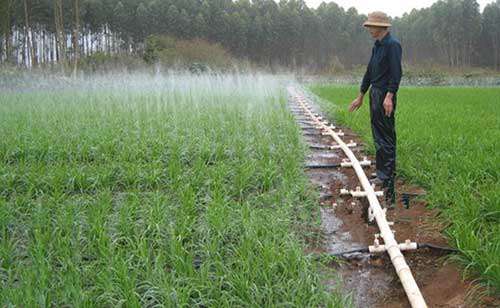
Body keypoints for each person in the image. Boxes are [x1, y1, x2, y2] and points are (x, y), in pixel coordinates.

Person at [348, 11, 402, 208]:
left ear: (381, 27)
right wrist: (361, 95)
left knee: (386, 138)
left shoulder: (392, 45)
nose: (369, 29)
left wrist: (389, 96)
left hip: (385, 96)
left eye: (371, 26)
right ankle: (382, 173)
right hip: (375, 94)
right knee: (378, 136)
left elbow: (397, 73)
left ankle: (388, 179)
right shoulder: (377, 46)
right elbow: (370, 72)